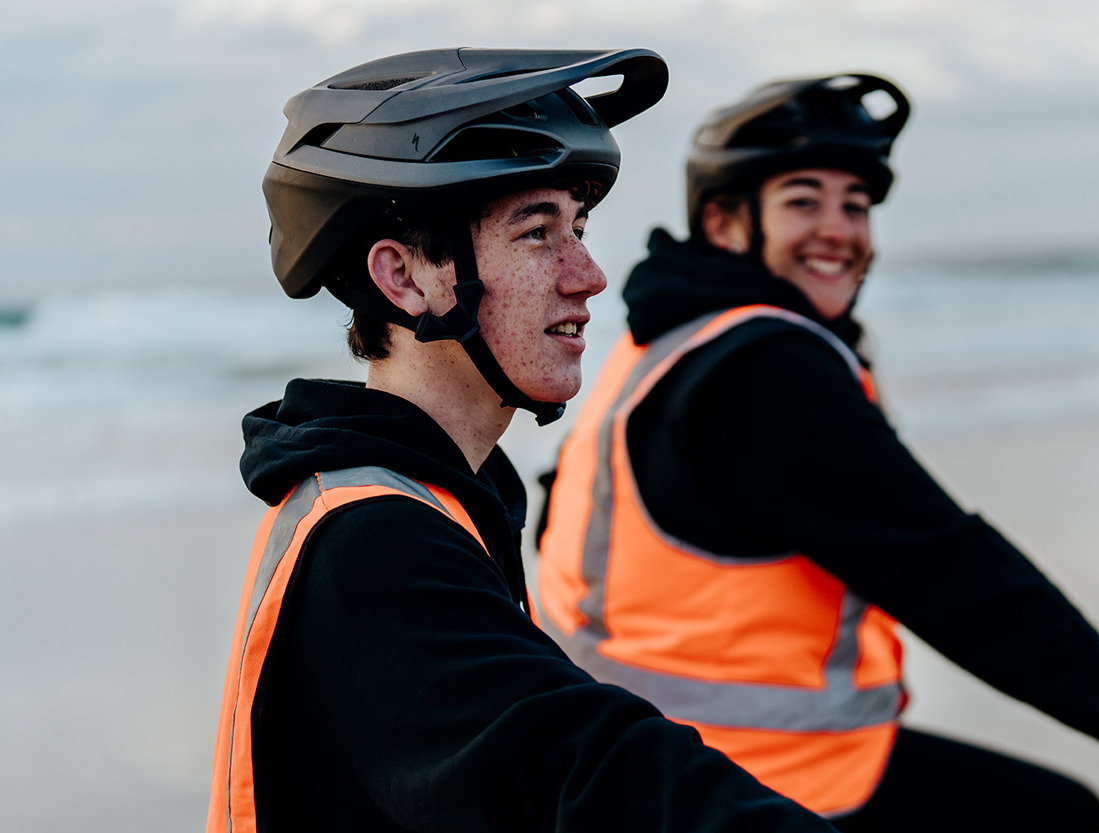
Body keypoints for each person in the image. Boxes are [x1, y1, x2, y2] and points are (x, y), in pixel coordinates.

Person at [533, 73, 1099, 833]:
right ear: (726, 222)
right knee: (1058, 818)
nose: (839, 229)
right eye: (803, 199)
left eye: (855, 206)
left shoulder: (664, 337)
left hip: (623, 754)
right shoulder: (764, 371)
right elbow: (950, 573)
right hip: (739, 779)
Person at [206, 48, 843, 833]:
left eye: (578, 227)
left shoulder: (439, 495)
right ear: (404, 278)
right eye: (538, 233)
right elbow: (586, 762)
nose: (588, 273)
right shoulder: (369, 540)